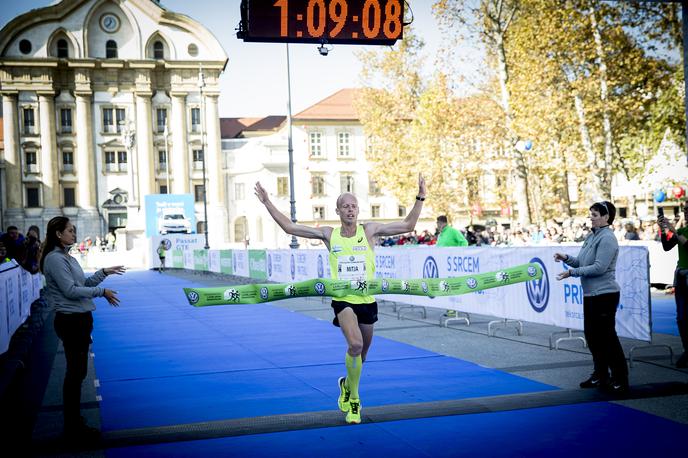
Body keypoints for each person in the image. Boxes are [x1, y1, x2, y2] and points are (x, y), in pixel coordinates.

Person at [255, 174, 426, 424]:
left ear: (358, 210)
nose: (350, 209)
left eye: (354, 205)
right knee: (355, 346)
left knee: (362, 356)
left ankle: (346, 384)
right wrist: (268, 202)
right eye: (345, 206)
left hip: (367, 300)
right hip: (343, 300)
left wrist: (420, 195)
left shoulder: (370, 230)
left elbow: (408, 225)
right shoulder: (329, 234)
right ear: (337, 210)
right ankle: (354, 401)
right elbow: (290, 228)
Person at [40, 216, 125, 441]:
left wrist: (103, 272)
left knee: (78, 373)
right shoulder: (56, 259)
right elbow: (70, 290)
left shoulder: (68, 257)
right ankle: (73, 426)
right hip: (71, 321)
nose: (73, 234)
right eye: (70, 230)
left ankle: (74, 422)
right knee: (75, 374)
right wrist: (102, 293)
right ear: (58, 234)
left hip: (79, 319)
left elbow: (83, 285)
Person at [554, 201, 628, 394]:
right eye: (591, 214)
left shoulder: (608, 238)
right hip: (591, 295)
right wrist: (566, 258)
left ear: (606, 217)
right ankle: (600, 375)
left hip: (605, 294)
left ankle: (620, 378)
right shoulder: (591, 236)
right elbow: (582, 261)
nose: (591, 218)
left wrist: (572, 272)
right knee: (593, 338)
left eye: (595, 215)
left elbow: (599, 268)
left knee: (608, 338)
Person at [659, 201, 688, 368]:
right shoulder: (683, 229)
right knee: (681, 317)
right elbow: (667, 246)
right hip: (681, 277)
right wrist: (664, 229)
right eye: (684, 210)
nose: (685, 213)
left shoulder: (682, 230)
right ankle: (686, 349)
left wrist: (673, 228)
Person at [435, 215, 468, 318]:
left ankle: (453, 309)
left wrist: (457, 255)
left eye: (437, 223)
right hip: (442, 264)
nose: (437, 226)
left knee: (452, 286)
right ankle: (449, 307)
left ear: (442, 223)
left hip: (452, 265)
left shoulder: (453, 231)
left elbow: (464, 242)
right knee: (445, 286)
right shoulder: (440, 234)